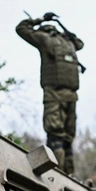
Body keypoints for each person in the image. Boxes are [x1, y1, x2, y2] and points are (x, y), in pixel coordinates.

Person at [16, 12, 84, 174]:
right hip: (55, 93)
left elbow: (80, 44)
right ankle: (56, 174)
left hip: (70, 95)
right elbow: (21, 29)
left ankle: (66, 175)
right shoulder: (46, 39)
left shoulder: (65, 42)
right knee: (58, 137)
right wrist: (42, 19)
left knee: (65, 138)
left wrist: (44, 22)